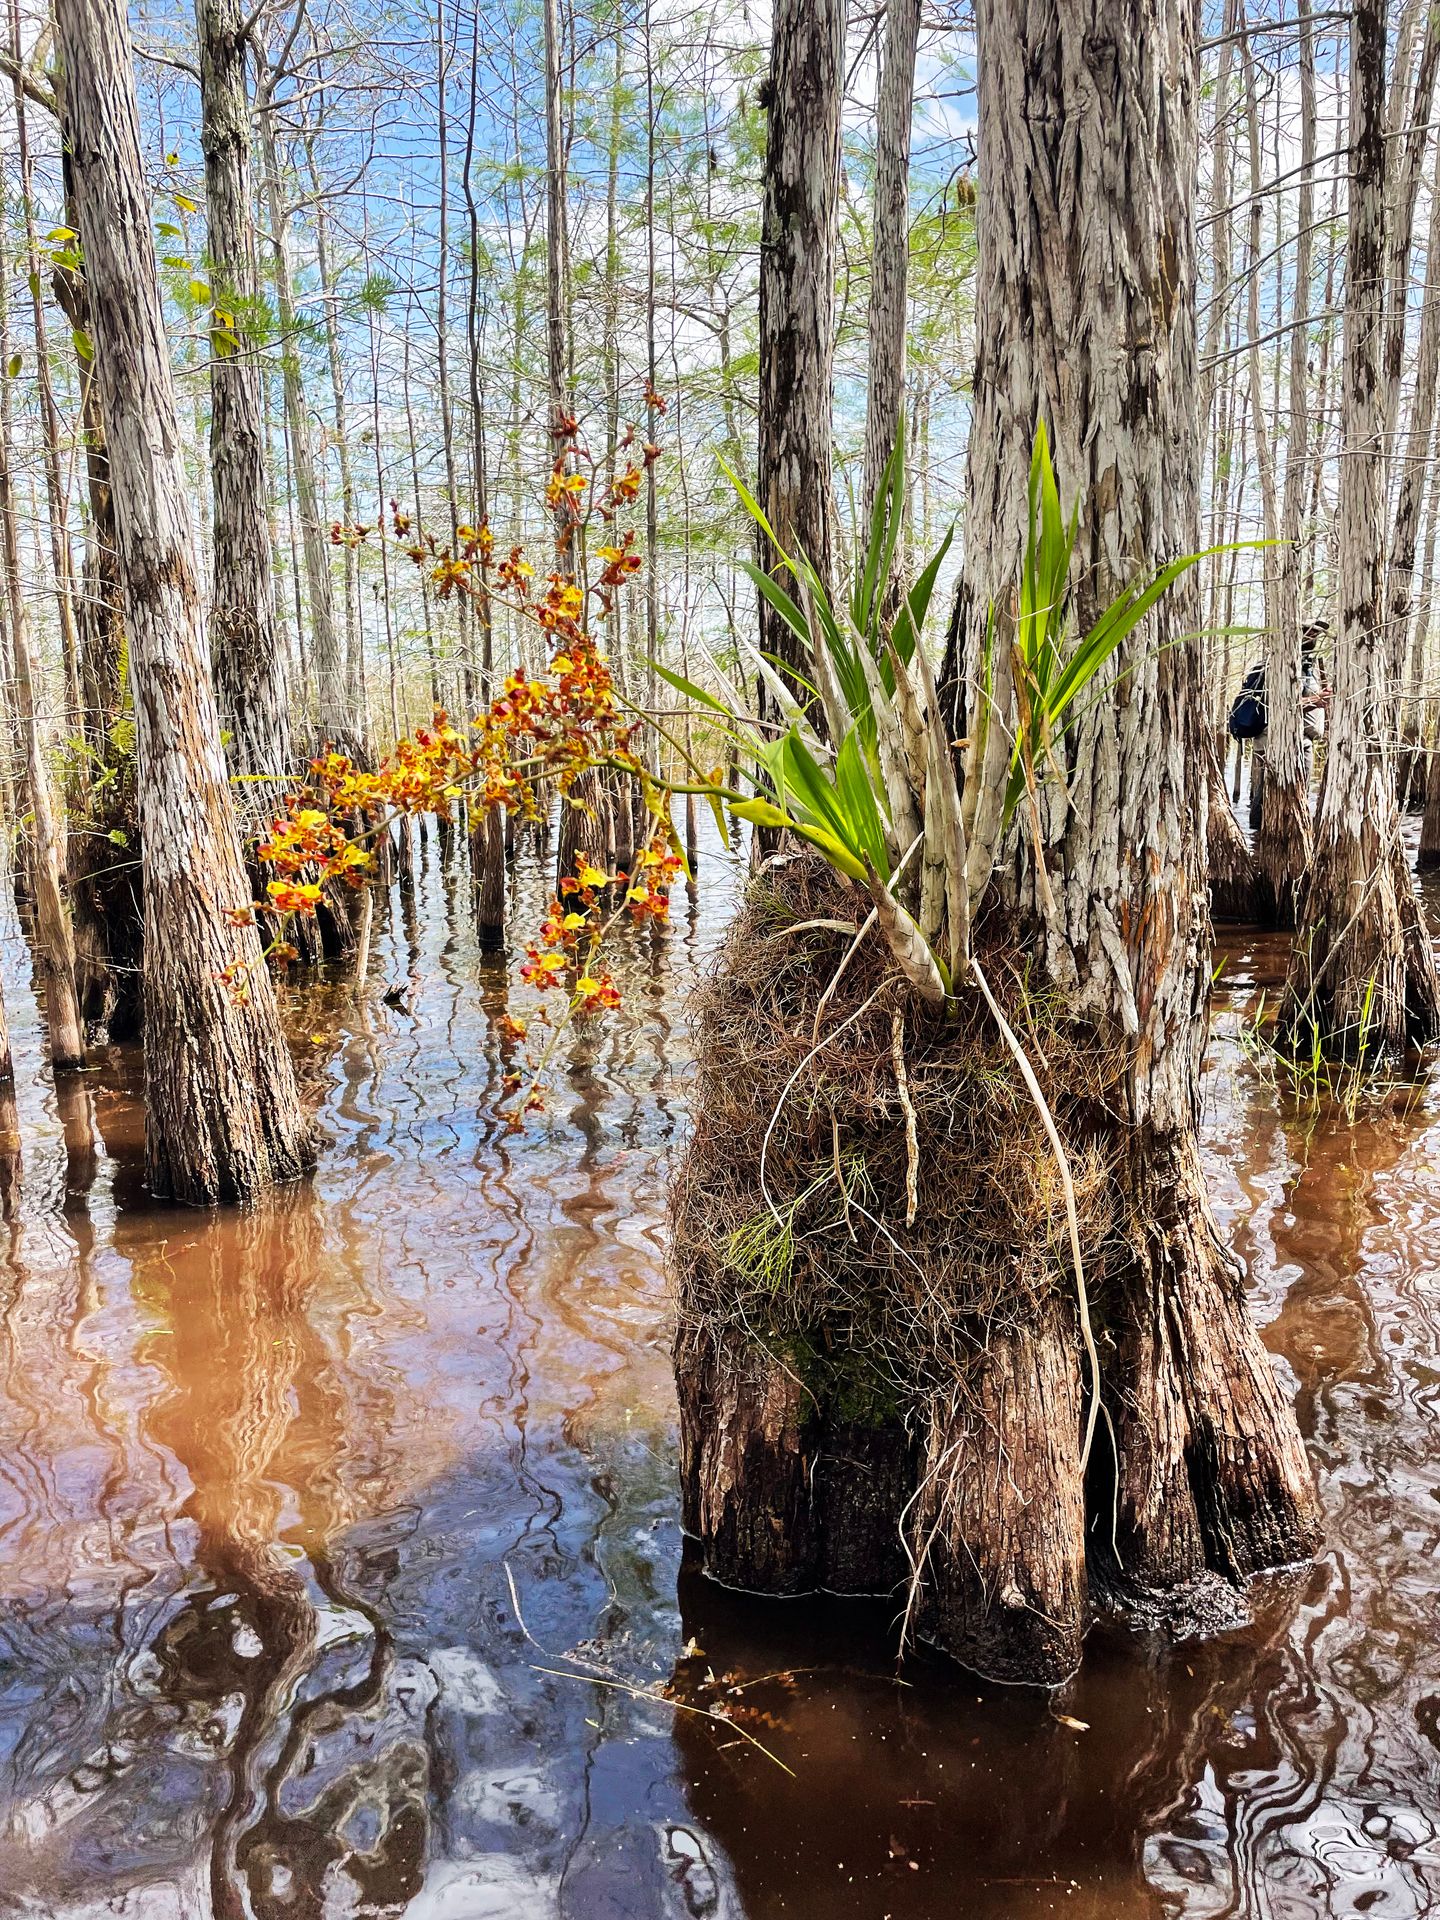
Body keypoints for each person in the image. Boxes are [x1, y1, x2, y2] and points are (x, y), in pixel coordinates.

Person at [1230, 622, 1329, 830]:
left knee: (1297, 799)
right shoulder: (1275, 666)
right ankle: (1257, 848)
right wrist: (1315, 701)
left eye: (1316, 632)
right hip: (1272, 744)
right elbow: (1278, 707)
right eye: (1307, 631)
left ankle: (1282, 848)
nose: (1312, 635)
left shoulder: (1308, 667)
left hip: (1304, 743)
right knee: (1265, 799)